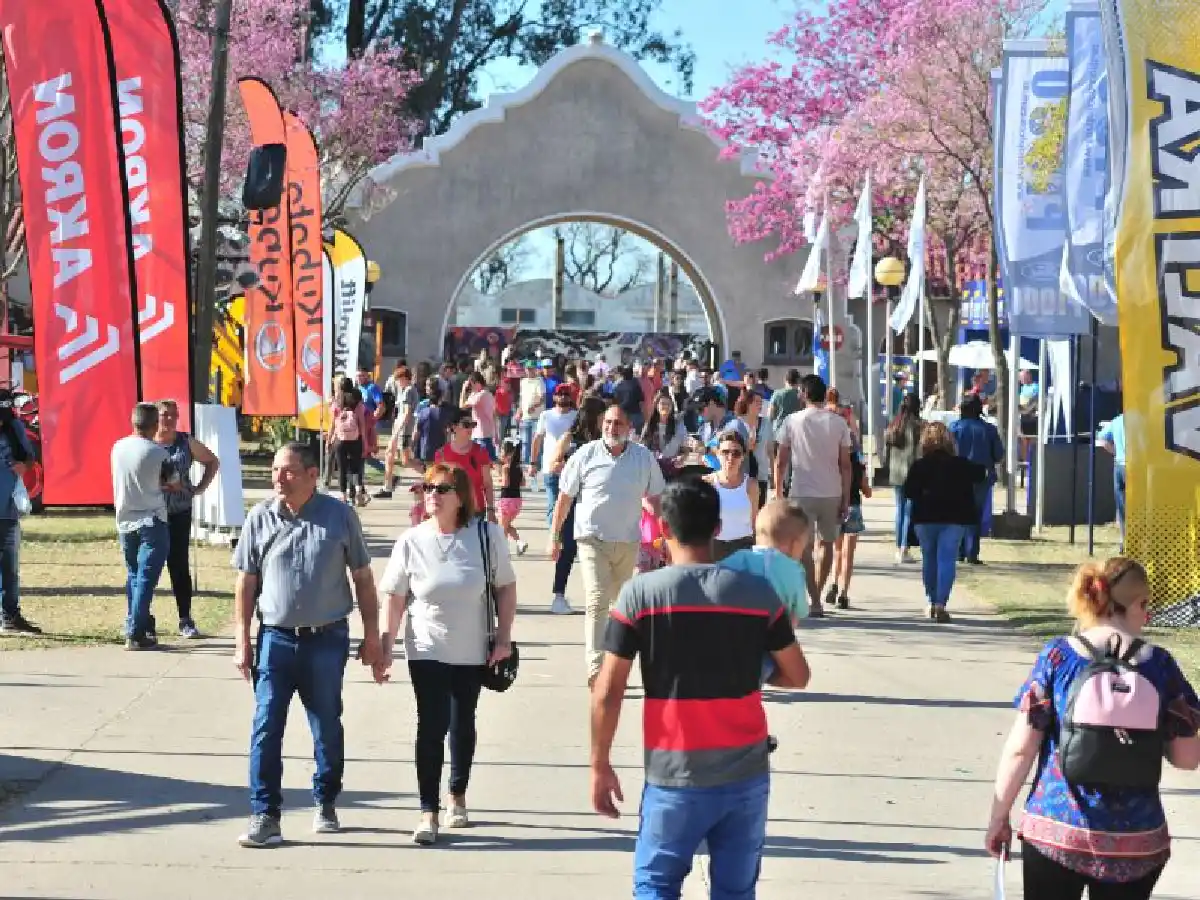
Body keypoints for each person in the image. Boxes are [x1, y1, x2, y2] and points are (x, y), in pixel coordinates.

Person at [589, 478, 812, 900]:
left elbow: (607, 691)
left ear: (663, 531)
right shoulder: (757, 594)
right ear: (716, 528)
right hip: (744, 773)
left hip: (673, 774)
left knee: (656, 886)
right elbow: (797, 675)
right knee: (734, 891)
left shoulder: (641, 595)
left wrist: (600, 764)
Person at [985, 557, 1200, 897]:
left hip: (1056, 831)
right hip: (1137, 843)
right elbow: (1188, 758)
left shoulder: (1058, 657)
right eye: (1146, 607)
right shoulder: (1161, 666)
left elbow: (1021, 749)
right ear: (1138, 604)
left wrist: (999, 817)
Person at [232, 442, 384, 848]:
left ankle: (325, 800)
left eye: (288, 471)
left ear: (313, 475)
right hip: (275, 640)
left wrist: (373, 637)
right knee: (266, 728)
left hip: (326, 640)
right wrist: (242, 640)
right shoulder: (260, 518)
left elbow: (364, 580)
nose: (278, 478)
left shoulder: (339, 516)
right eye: (275, 470)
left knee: (326, 726)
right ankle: (265, 814)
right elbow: (246, 582)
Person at [378, 462, 517, 846]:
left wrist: (504, 638)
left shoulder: (486, 536)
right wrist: (386, 641)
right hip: (425, 646)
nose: (432, 496)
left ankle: (457, 792)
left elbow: (505, 587)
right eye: (427, 488)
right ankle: (428, 812)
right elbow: (394, 596)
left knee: (462, 722)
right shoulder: (412, 540)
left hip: (473, 648)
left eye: (440, 489)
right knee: (431, 725)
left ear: (460, 497)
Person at [550, 404, 665, 686]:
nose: (612, 429)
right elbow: (564, 498)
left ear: (629, 428)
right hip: (591, 540)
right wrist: (555, 536)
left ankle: (616, 667)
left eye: (618, 424)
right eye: (609, 423)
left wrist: (664, 537)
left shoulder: (642, 458)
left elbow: (657, 499)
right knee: (597, 601)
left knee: (621, 608)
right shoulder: (585, 455)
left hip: (628, 542)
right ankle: (596, 670)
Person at [772, 375, 851, 618]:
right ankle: (816, 596)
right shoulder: (838, 423)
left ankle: (813, 598)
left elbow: (780, 461)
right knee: (828, 543)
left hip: (801, 491)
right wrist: (846, 498)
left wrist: (778, 493)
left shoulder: (791, 421)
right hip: (831, 491)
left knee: (803, 547)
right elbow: (846, 465)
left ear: (804, 394)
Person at [902, 422, 987, 623]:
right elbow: (981, 474)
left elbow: (909, 492)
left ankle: (931, 600)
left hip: (925, 518)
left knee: (929, 559)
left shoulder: (919, 465)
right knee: (946, 559)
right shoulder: (961, 464)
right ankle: (941, 603)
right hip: (954, 518)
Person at [153, 399, 221, 639]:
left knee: (179, 565)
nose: (169, 419)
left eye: (173, 414)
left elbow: (212, 461)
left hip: (179, 512)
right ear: (155, 417)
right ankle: (144, 619)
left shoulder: (185, 441)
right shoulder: (147, 442)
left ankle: (185, 618)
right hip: (152, 513)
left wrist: (197, 489)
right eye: (164, 415)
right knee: (149, 566)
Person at [111, 403, 174, 650]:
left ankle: (138, 622)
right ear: (155, 425)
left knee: (134, 575)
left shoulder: (118, 447)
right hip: (152, 519)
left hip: (125, 519)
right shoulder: (158, 453)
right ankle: (135, 632)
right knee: (147, 578)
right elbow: (173, 482)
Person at [544, 396, 607, 616]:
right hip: (573, 499)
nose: (605, 421)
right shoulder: (570, 437)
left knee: (600, 549)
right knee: (568, 548)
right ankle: (558, 596)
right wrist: (573, 466)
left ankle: (600, 597)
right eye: (602, 416)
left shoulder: (604, 439)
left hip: (596, 500)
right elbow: (553, 464)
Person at [723, 498, 810, 630]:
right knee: (792, 617)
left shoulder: (738, 558)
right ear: (795, 545)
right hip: (774, 633)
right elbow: (801, 609)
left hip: (738, 628)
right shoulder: (794, 570)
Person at [949, 394, 1004, 565]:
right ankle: (972, 552)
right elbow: (998, 454)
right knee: (976, 514)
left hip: (957, 476)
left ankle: (958, 551)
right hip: (981, 476)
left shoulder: (954, 428)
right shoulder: (989, 429)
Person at [0, 391, 37, 635]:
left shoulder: (15, 427)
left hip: (8, 510)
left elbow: (30, 458)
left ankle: (10, 616)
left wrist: (25, 465)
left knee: (9, 568)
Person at [530, 384, 579, 533]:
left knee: (569, 508)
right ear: (554, 397)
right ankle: (555, 536)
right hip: (549, 468)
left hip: (571, 468)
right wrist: (533, 462)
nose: (563, 396)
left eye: (566, 394)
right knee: (553, 505)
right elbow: (537, 439)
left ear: (570, 397)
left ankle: (564, 538)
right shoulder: (546, 415)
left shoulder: (576, 416)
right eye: (560, 394)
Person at [704, 431, 760, 561]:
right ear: (717, 454)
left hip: (744, 547)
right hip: (715, 547)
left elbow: (754, 521)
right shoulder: (707, 483)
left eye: (736, 453)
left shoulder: (751, 485)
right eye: (725, 452)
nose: (730, 458)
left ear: (743, 456)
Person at [434, 408, 495, 522]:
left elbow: (487, 484)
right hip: (450, 513)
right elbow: (437, 485)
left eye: (473, 424)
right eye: (466, 424)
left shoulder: (481, 452)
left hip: (476, 513)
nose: (471, 428)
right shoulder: (441, 454)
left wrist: (491, 509)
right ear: (454, 427)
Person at [830, 444, 871, 610]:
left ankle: (833, 583)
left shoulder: (832, 463)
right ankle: (843, 593)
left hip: (834, 507)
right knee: (849, 554)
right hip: (853, 507)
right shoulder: (858, 464)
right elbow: (867, 491)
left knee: (837, 551)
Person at [885, 394, 923, 565]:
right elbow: (919, 452)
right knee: (909, 511)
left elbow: (886, 450)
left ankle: (897, 547)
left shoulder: (894, 424)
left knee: (899, 510)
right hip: (911, 473)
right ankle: (904, 548)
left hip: (896, 472)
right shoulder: (917, 426)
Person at [376, 366, 418, 499]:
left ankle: (428, 473)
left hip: (404, 430)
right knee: (389, 455)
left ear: (405, 378)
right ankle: (387, 486)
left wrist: (396, 433)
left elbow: (406, 413)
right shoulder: (404, 390)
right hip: (399, 428)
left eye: (399, 379)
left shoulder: (409, 391)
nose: (397, 382)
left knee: (405, 461)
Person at [329, 387, 370, 506]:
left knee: (342, 469)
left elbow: (332, 424)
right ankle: (358, 492)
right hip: (355, 440)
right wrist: (364, 441)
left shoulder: (336, 405)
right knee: (355, 468)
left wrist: (329, 439)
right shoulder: (357, 406)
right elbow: (362, 425)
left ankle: (343, 496)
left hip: (340, 441)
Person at [735, 388, 773, 498]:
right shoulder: (738, 423)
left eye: (761, 402)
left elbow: (770, 451)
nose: (760, 405)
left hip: (761, 475)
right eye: (756, 402)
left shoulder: (766, 423)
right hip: (742, 476)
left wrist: (774, 475)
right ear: (747, 403)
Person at [1097, 414, 1126, 551]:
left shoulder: (1117, 420)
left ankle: (1123, 540)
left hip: (1119, 464)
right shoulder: (1143, 419)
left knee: (1121, 506)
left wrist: (1115, 452)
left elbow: (1102, 439)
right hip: (1136, 466)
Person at [497, 439, 527, 555]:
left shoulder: (505, 468)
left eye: (502, 451)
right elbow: (523, 483)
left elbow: (505, 483)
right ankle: (520, 542)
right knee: (507, 525)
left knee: (502, 528)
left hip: (506, 501)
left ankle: (503, 550)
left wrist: (499, 481)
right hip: (517, 501)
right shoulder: (518, 468)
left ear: (508, 454)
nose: (500, 454)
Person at [639, 392, 687, 460]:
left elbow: (685, 449)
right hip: (651, 464)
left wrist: (682, 458)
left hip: (672, 465)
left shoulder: (679, 425)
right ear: (656, 406)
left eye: (669, 404)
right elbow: (642, 446)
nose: (666, 406)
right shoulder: (649, 424)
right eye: (663, 403)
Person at [517, 362, 546, 468]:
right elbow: (522, 398)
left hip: (537, 417)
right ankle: (525, 463)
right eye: (527, 369)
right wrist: (519, 411)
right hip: (525, 416)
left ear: (535, 369)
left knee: (536, 442)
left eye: (531, 369)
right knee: (525, 441)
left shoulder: (540, 381)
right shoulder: (523, 382)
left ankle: (536, 463)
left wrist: (534, 406)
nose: (529, 371)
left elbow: (542, 398)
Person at [463, 371, 498, 462]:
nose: (471, 387)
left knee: (488, 462)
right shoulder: (476, 394)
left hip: (483, 435)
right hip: (478, 434)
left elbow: (462, 405)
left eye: (472, 384)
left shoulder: (483, 395)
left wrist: (463, 390)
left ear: (478, 383)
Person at [612, 366, 645, 433]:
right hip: (635, 415)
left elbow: (615, 401)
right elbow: (641, 400)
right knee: (636, 437)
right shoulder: (635, 385)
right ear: (632, 374)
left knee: (623, 435)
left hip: (622, 414)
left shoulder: (618, 386)